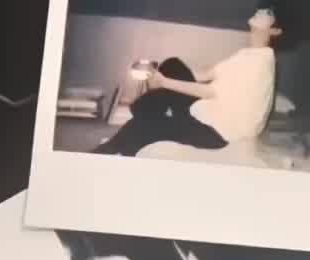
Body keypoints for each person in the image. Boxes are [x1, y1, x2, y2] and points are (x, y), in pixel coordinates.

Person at [95, 8, 283, 158]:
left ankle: (126, 133)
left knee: (145, 124)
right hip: (208, 112)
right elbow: (207, 75)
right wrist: (161, 76)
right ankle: (146, 110)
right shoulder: (247, 54)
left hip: (215, 132)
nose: (261, 13)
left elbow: (209, 92)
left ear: (275, 31)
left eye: (268, 14)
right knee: (172, 64)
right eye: (262, 10)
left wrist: (165, 82)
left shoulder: (260, 64)